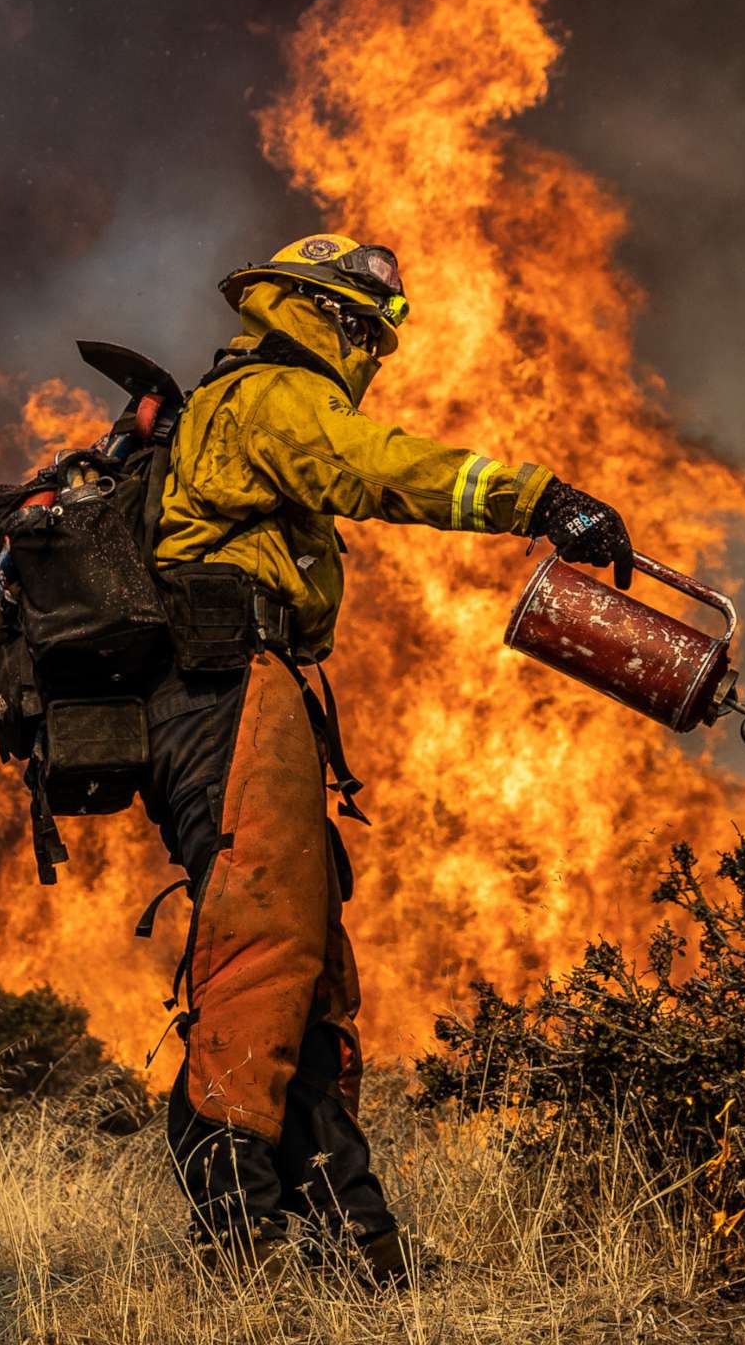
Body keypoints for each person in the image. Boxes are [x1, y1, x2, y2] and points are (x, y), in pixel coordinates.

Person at [143, 233, 636, 1279]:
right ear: (319, 312)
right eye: (364, 325)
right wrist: (537, 498)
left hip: (257, 687)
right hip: (230, 685)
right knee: (264, 953)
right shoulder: (273, 391)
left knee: (307, 965)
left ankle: (350, 1239)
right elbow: (370, 466)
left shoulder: (250, 400)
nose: (372, 348)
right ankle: (234, 1242)